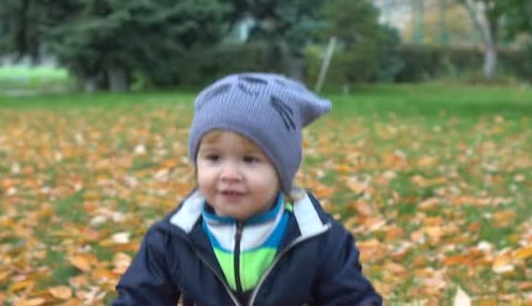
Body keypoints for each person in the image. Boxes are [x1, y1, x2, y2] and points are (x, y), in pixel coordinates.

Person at [113, 73, 382, 305]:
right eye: (214, 158)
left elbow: (351, 299)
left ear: (281, 170)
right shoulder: (173, 238)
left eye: (250, 160)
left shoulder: (319, 239)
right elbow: (139, 298)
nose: (229, 175)